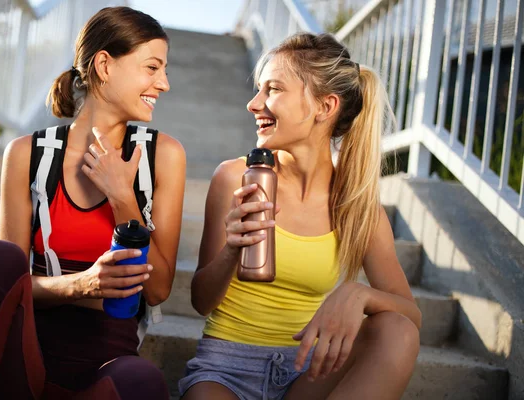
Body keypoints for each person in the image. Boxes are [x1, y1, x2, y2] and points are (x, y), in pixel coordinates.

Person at [0, 6, 185, 400]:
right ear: (105, 64)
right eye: (152, 68)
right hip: (23, 352)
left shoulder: (163, 156)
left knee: (144, 381)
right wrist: (79, 285)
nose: (164, 83)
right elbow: (8, 285)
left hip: (103, 368)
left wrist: (122, 197)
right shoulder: (25, 154)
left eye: (163, 70)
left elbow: (159, 290)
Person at [179, 33, 421, 400]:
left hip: (309, 370)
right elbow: (201, 301)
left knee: (397, 332)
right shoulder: (234, 177)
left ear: (325, 106)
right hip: (227, 368)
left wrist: (359, 295)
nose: (253, 103)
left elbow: (411, 317)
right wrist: (231, 249)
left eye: (272, 89)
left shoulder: (355, 205)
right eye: (259, 89)